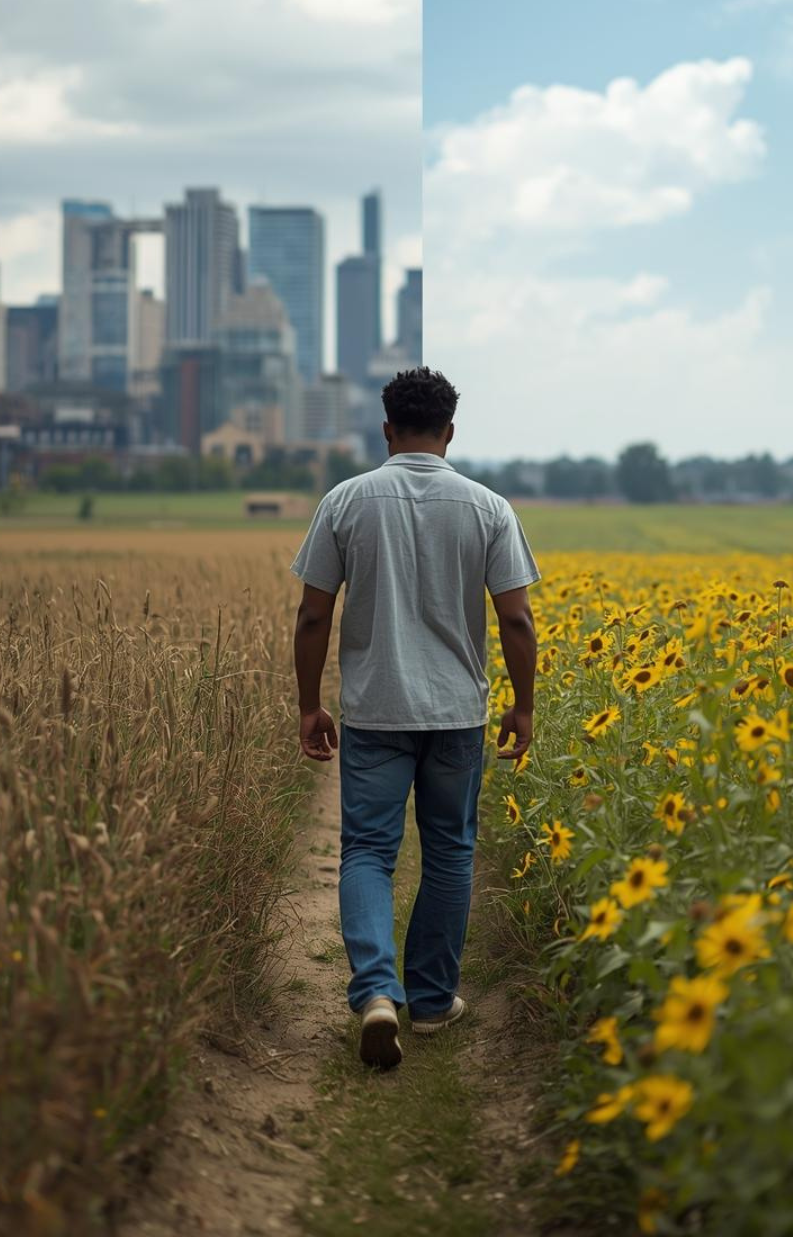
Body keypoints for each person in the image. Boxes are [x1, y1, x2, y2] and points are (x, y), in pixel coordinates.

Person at [289, 366, 540, 1069]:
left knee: (368, 850)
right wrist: (523, 703)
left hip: (374, 710)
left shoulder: (346, 501)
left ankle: (374, 992)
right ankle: (431, 1003)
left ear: (387, 430)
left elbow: (313, 613)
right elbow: (516, 618)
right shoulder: (489, 508)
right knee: (451, 851)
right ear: (450, 433)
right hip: (456, 712)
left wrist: (310, 704)